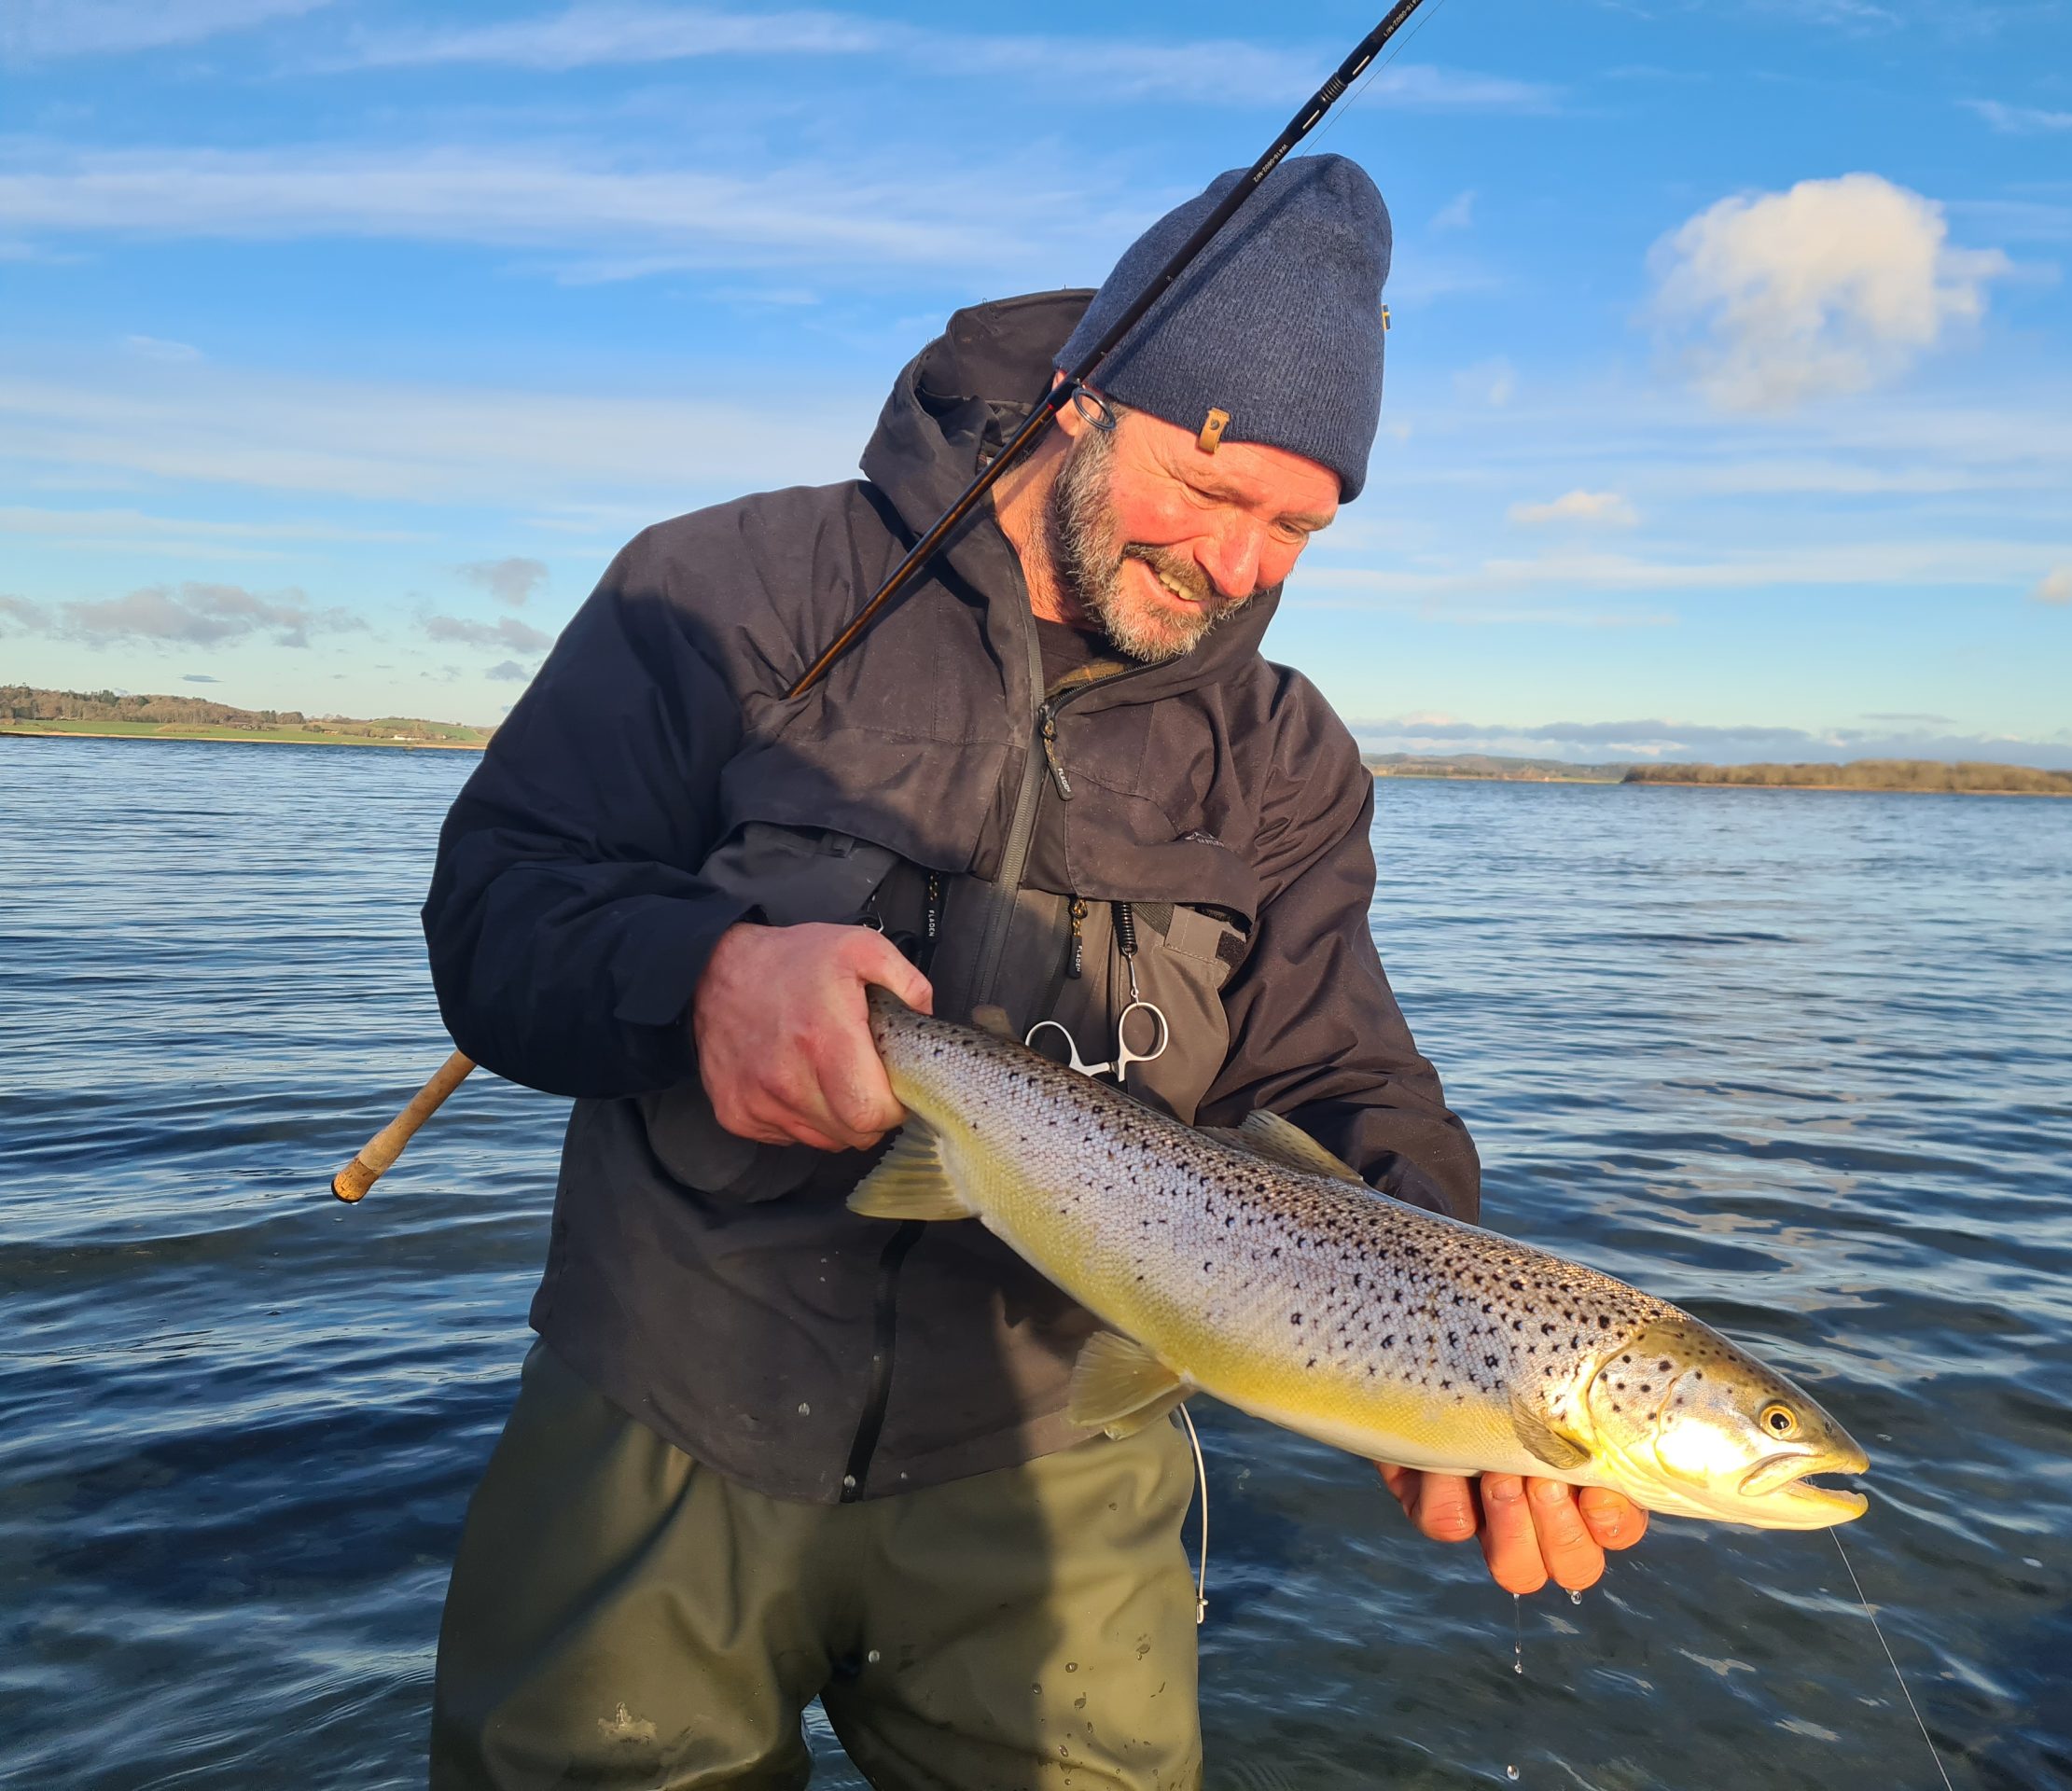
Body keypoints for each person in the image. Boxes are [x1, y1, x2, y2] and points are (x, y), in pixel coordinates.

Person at [420, 154, 1646, 1791]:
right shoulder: (719, 591)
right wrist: (704, 975)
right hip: (668, 1405)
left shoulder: (1284, 756)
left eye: (1299, 527)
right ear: (1083, 401)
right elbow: (496, 915)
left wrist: (1462, 1354)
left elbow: (1333, 1081)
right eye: (1213, 496)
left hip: (1064, 1462)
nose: (1241, 570)